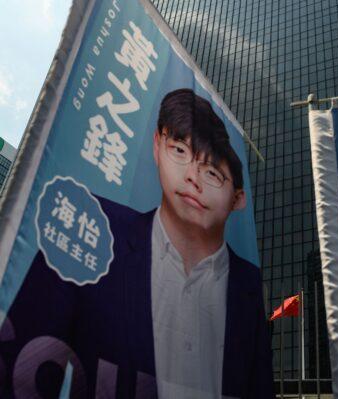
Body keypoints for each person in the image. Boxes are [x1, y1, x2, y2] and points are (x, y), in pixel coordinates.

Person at [0, 89, 273, 398]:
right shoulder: (92, 225)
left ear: (237, 199)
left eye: (212, 172)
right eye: (180, 151)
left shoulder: (248, 284)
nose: (192, 179)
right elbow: (18, 373)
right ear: (157, 146)